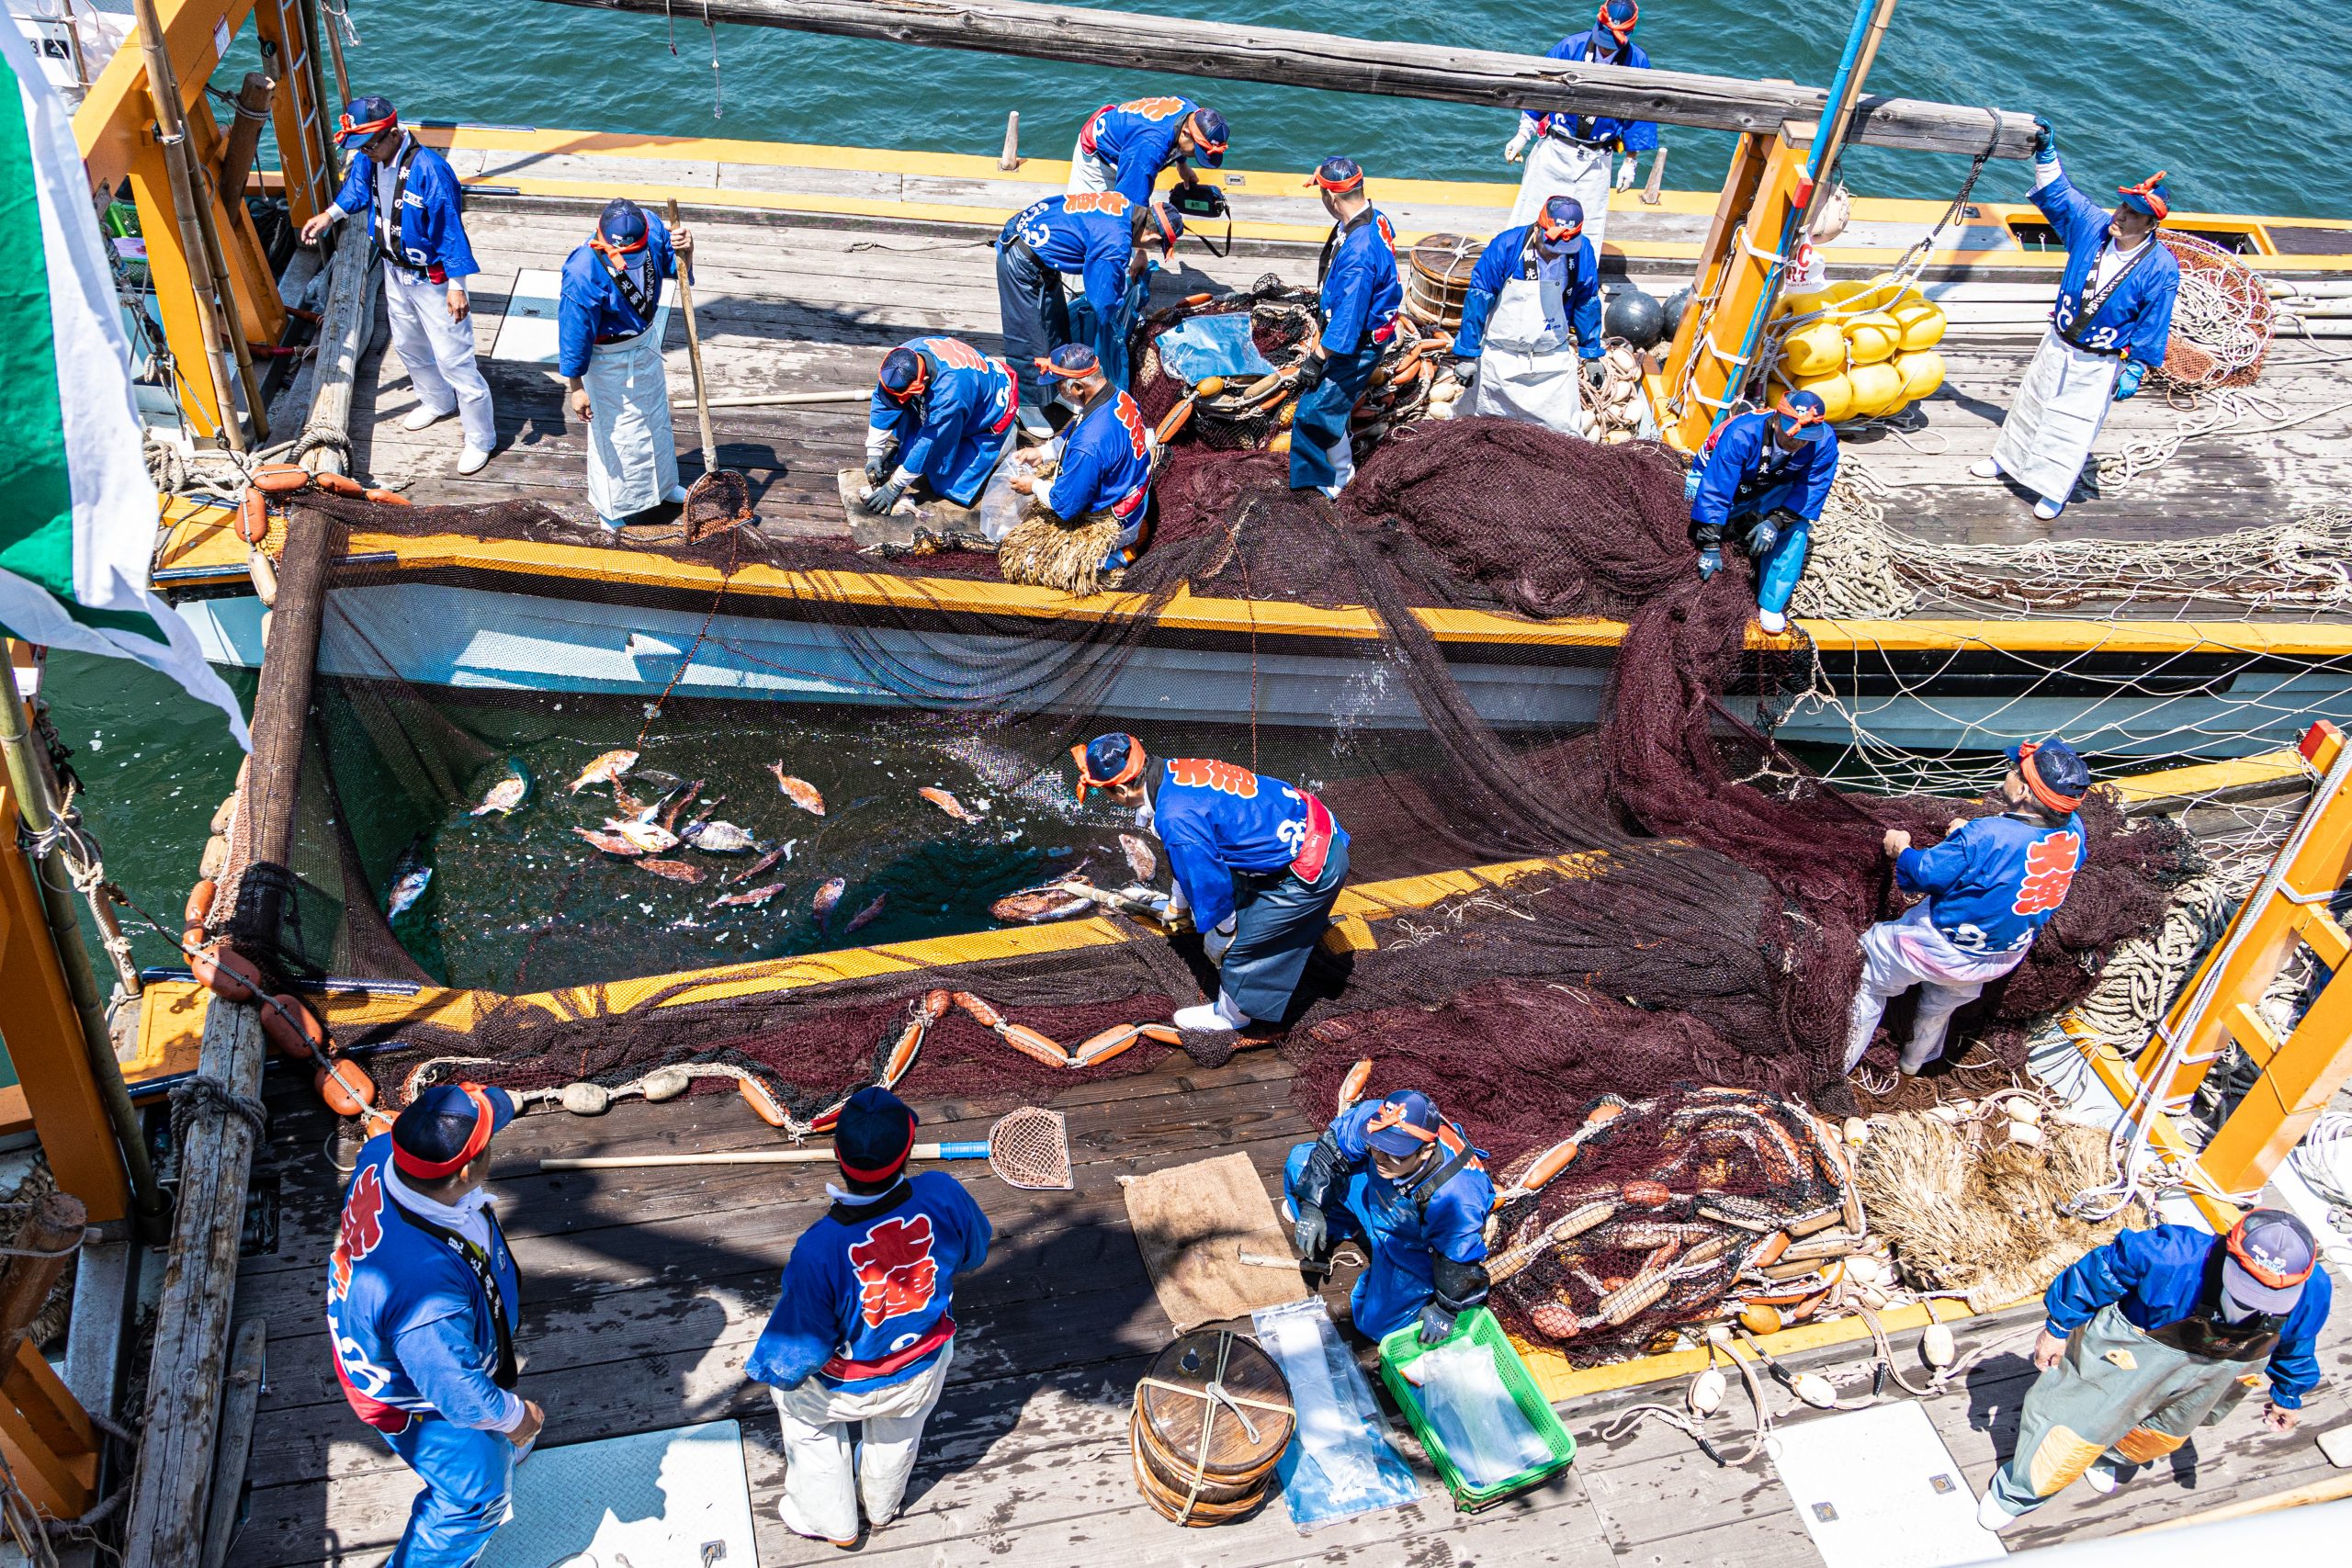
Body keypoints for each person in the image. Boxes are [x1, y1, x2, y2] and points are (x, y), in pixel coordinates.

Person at [746, 1087, 992, 1547]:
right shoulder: (944, 1193)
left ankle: (833, 1525)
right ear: (908, 1150)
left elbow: (801, 1348)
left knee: (806, 1423)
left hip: (845, 1382)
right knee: (899, 1436)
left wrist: (771, 1370)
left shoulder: (819, 1248)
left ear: (837, 1156)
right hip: (922, 1361)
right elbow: (975, 1253)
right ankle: (880, 1508)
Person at [1980, 1209, 2329, 1531]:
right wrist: (2057, 1328)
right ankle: (2015, 1493)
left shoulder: (2313, 1291)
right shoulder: (2171, 1254)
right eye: (2247, 1291)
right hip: (2135, 1354)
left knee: (2158, 1437)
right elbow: (2097, 1275)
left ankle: (2103, 1458)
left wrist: (2289, 1394)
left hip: (2217, 1372)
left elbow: (2297, 1343)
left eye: (2270, 1299)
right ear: (2229, 1253)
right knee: (2070, 1433)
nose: (2253, 1304)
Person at [325, 1083, 539, 1568]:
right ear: (465, 1170)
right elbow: (456, 1389)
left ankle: (497, 1442)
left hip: (405, 1333)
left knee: (489, 1416)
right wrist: (516, 1419)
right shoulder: (428, 1297)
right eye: (489, 1143)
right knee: (474, 1499)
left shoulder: (383, 1151)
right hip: (412, 1396)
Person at [1970, 118, 2179, 521]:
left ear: (2151, 224)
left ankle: (2053, 489)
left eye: (2133, 213)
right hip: (2058, 340)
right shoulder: (2094, 228)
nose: (2120, 214)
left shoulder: (2161, 269)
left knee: (2074, 425)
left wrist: (2136, 366)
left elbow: (2155, 320)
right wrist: (2047, 155)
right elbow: (2061, 195)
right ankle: (2005, 459)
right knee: (2031, 401)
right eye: (2122, 205)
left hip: (2098, 361)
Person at [1072, 732, 1350, 1033]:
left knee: (1241, 950)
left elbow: (1210, 885)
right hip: (1311, 823)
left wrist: (1221, 934)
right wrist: (1178, 905)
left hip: (1312, 867)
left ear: (1123, 790)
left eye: (1106, 794)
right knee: (1229, 900)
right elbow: (1189, 862)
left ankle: (1232, 1016)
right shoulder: (1175, 770)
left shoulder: (1175, 818)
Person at [1845, 739, 2090, 1077]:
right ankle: (1914, 1062)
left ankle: (1838, 1066)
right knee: (1940, 1004)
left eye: (2015, 771)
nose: (2008, 773)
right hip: (2000, 958)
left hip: (1939, 951)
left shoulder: (1987, 834)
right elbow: (2015, 858)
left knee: (1869, 976)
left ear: (2022, 791)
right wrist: (1968, 837)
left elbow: (1921, 874)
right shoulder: (2075, 829)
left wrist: (1900, 848)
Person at [300, 97, 495, 476]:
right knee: (407, 343)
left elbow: (450, 230)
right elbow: (356, 193)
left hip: (434, 280)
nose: (366, 154)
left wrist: (458, 285)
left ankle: (480, 437)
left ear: (393, 134)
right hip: (394, 270)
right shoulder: (369, 158)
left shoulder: (431, 171)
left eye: (371, 146)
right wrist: (329, 215)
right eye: (362, 148)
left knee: (454, 359)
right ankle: (436, 400)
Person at [1283, 1089, 1494, 1342]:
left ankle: (1383, 1266)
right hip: (1375, 1194)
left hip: (1412, 1239)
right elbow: (1332, 1149)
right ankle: (1348, 1228)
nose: (1381, 1158)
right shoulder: (1376, 1116)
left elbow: (1458, 1259)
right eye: (1376, 1146)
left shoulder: (1457, 1197)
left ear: (1425, 1151)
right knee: (1300, 1163)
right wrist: (1313, 1205)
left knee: (1376, 1326)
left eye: (1396, 1153)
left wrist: (1446, 1309)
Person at [557, 198, 696, 534]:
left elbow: (674, 266)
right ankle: (610, 506)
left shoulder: (650, 225)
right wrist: (576, 388)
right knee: (617, 435)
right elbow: (573, 332)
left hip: (645, 343)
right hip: (607, 359)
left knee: (655, 421)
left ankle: (664, 487)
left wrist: (686, 249)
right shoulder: (582, 271)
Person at [994, 192, 1184, 431]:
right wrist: (1117, 326)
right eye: (1158, 245)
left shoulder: (1127, 206)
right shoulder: (1115, 242)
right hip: (1020, 256)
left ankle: (1057, 388)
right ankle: (1028, 406)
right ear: (1153, 235)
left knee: (1056, 325)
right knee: (1028, 335)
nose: (1153, 249)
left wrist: (1137, 258)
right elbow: (1102, 303)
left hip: (1043, 253)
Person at [1502, 1, 1658, 249]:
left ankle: (1578, 284)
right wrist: (1523, 134)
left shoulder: (1637, 61)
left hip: (1596, 158)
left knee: (1588, 230)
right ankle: (1514, 269)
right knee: (1530, 216)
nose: (1605, 49)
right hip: (1556, 147)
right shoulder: (1569, 47)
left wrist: (1630, 161)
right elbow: (1539, 91)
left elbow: (1639, 114)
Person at [1292, 158, 1402, 497]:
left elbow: (1349, 317)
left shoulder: (1359, 251)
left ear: (1330, 196)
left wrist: (1319, 358)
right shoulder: (1373, 218)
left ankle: (1326, 486)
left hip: (1357, 344)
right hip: (1368, 329)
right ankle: (1340, 469)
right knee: (1331, 407)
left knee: (1312, 414)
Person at [1689, 390, 1840, 634]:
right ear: (1777, 419)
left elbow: (1813, 486)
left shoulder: (1823, 441)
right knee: (1692, 512)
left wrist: (1777, 521)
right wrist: (1710, 546)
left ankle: (1771, 603)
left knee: (1797, 529)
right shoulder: (1742, 433)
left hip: (1772, 484)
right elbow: (1716, 488)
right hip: (1714, 476)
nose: (1800, 442)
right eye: (1794, 434)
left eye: (1806, 438)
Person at [1453, 196, 1606, 432]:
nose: (1556, 254)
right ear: (1538, 228)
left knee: (1562, 432)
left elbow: (1587, 302)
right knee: (1482, 428)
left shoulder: (1582, 251)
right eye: (1551, 247)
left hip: (1552, 361)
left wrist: (1592, 354)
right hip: (1500, 359)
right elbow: (1478, 298)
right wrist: (1467, 354)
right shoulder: (1506, 246)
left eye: (1564, 250)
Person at [1006, 344, 1156, 573]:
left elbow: (1065, 506)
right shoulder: (1118, 396)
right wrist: (1043, 453)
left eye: (1059, 386)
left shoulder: (1089, 444)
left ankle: (1115, 558)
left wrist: (1034, 485)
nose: (1058, 391)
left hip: (1118, 521)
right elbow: (1078, 430)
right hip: (1135, 491)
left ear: (1077, 387)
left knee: (1034, 564)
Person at [861, 337, 1019, 514]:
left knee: (946, 484)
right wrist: (873, 453)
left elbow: (930, 444)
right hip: (967, 390)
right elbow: (884, 401)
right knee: (910, 455)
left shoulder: (949, 396)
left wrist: (894, 487)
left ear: (925, 379)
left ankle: (1006, 439)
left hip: (992, 411)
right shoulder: (905, 354)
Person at [1068, 96, 1230, 206]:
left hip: (1130, 150)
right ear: (1186, 133)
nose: (1196, 155)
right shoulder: (1149, 147)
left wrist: (1182, 165)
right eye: (1197, 150)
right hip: (1098, 158)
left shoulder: (1192, 112)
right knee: (1087, 219)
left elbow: (1178, 139)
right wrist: (1142, 253)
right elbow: (1129, 206)